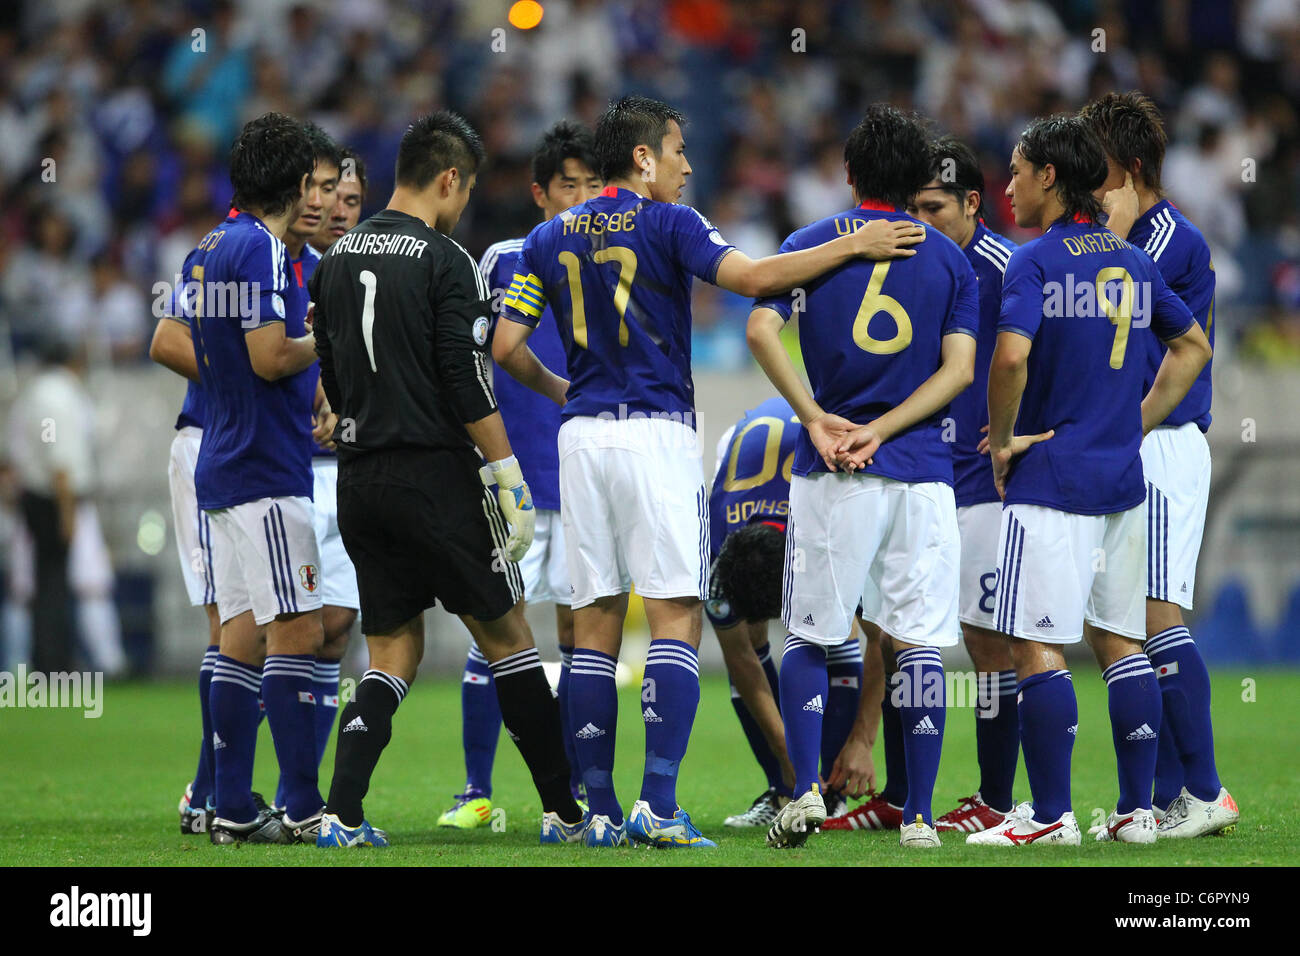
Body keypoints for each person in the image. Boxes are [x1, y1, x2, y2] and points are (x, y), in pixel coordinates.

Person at [494, 94, 923, 848]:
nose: (689, 165)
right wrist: (852, 247)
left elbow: (502, 346)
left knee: (592, 625)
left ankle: (596, 811)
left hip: (581, 439)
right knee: (674, 617)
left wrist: (566, 393)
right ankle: (657, 805)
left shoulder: (547, 236)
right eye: (678, 150)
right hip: (654, 433)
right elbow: (755, 280)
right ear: (642, 158)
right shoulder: (671, 223)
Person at [309, 111, 584, 848]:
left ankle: (342, 814)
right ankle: (563, 809)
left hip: (359, 481)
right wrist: (506, 474)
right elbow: (468, 381)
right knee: (509, 638)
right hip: (435, 476)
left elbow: (331, 377)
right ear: (450, 178)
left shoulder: (333, 258)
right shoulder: (446, 260)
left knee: (391, 654)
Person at [967, 114, 1211, 847]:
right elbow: (1192, 344)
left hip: (1054, 479)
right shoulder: (1133, 262)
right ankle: (1138, 813)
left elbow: (1009, 360)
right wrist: (1132, 421)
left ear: (1049, 177)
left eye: (1014, 171)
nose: (1005, 185)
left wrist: (1005, 440)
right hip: (1123, 480)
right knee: (1121, 640)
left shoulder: (1032, 261)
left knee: (1035, 644)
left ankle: (1048, 818)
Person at [748, 104, 978, 850]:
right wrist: (889, 428)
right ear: (918, 180)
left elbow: (758, 328)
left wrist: (817, 416)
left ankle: (806, 790)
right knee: (916, 643)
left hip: (833, 469)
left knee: (812, 635)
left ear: (848, 176)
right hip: (923, 473)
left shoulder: (808, 245)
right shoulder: (950, 259)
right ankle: (917, 818)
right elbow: (961, 368)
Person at [1080, 91, 1239, 838]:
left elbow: (1137, 327)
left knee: (1155, 613)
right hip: (1130, 443)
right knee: (1126, 622)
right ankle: (1171, 795)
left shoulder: (1170, 240)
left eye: (1097, 167)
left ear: (1131, 167)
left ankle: (1206, 791)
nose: (1086, 180)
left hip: (1164, 442)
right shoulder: (1129, 232)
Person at [439, 120, 602, 829]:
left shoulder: (615, 248)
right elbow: (471, 359)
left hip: (587, 476)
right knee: (498, 630)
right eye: (570, 184)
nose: (584, 197)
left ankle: (569, 794)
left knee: (579, 633)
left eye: (596, 184)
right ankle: (476, 789)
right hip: (514, 476)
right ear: (540, 193)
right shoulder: (505, 258)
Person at [187, 113, 327, 845]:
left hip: (221, 459)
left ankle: (231, 806)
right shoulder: (265, 251)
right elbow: (272, 357)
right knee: (296, 630)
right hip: (266, 470)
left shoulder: (206, 248)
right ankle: (304, 807)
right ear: (297, 180)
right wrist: (325, 337)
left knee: (240, 635)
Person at [706, 397, 864, 828]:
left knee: (835, 627)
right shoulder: (714, 545)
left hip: (826, 450)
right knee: (749, 647)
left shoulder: (826, 523)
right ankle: (787, 789)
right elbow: (740, 659)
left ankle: (830, 794)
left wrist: (862, 740)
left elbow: (876, 635)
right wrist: (792, 760)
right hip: (748, 451)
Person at [271, 122, 357, 816]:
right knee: (284, 630)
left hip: (346, 470)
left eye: (349, 197)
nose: (337, 208)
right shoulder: (277, 258)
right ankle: (230, 784)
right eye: (327, 191)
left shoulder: (354, 272)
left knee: (334, 632)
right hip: (284, 471)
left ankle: (305, 788)